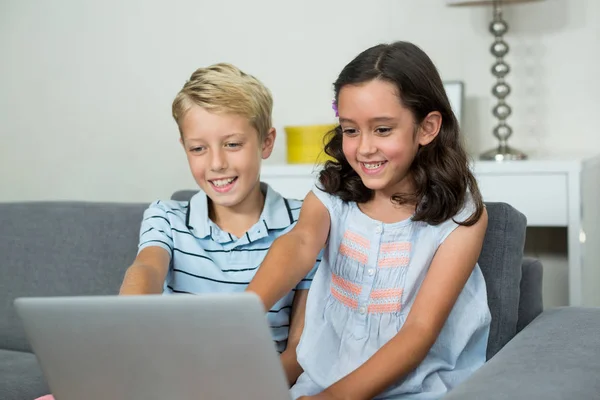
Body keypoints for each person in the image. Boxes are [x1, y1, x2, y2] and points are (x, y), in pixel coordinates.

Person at [34, 63, 318, 400]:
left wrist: (243, 388)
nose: (216, 163)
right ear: (184, 146)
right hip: (168, 384)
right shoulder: (166, 217)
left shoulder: (305, 225)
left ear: (266, 142)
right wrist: (123, 325)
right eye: (198, 149)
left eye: (232, 144)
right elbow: (146, 269)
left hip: (252, 386)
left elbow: (300, 349)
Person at [246, 41, 491, 400]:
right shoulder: (331, 194)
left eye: (382, 129)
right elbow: (299, 244)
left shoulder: (462, 217)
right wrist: (242, 312)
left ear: (427, 127)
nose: (363, 148)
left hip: (420, 388)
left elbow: (419, 332)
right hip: (324, 380)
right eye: (350, 130)